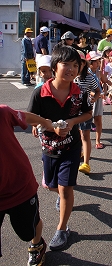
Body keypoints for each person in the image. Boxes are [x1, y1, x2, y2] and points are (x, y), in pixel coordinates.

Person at [27, 45, 92, 251]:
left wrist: (72, 123)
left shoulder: (79, 93)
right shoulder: (40, 93)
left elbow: (88, 114)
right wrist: (47, 125)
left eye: (76, 65)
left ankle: (62, 228)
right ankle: (60, 194)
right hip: (48, 148)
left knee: (66, 188)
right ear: (55, 66)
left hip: (71, 148)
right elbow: (30, 118)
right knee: (51, 186)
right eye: (66, 64)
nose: (72, 69)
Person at [0, 104, 53, 265]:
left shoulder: (2, 112)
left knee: (28, 229)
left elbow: (23, 116)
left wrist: (45, 122)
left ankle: (37, 244)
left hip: (19, 187)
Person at [74, 51, 100, 174]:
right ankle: (79, 153)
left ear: (85, 64)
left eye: (80, 63)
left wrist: (94, 97)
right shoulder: (69, 77)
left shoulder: (89, 77)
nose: (78, 66)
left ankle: (86, 163)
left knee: (85, 135)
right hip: (72, 111)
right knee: (75, 135)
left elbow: (97, 90)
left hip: (86, 110)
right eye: (75, 63)